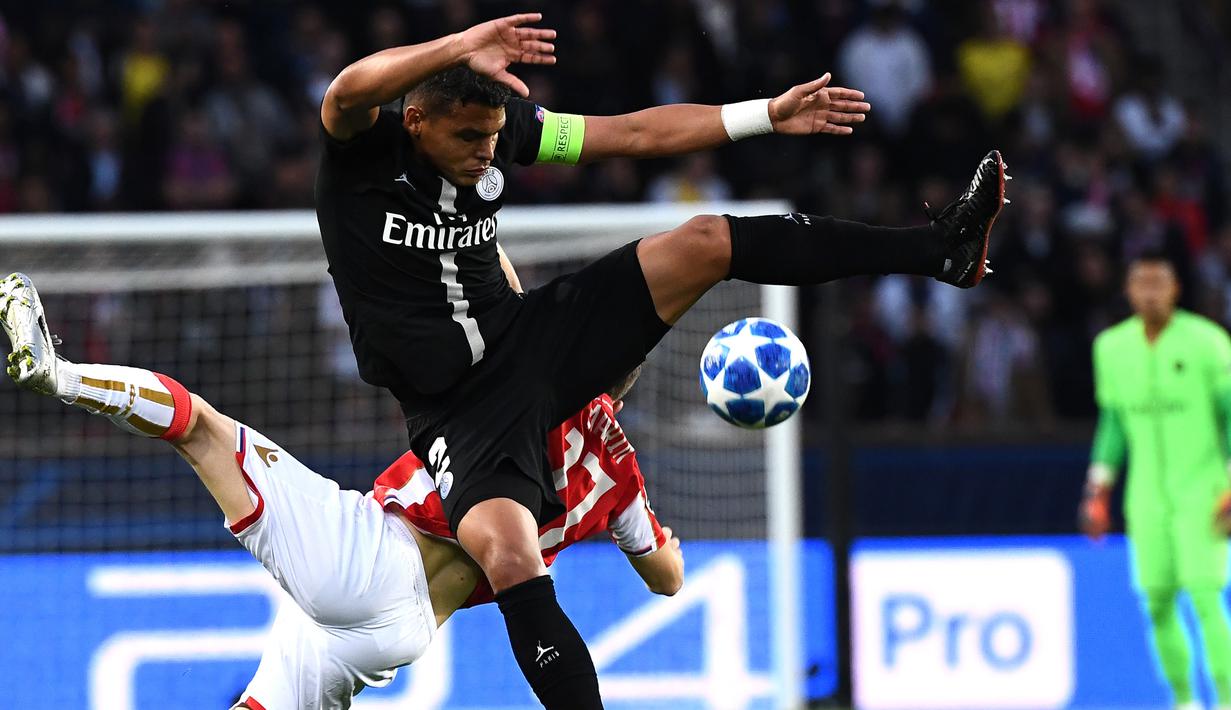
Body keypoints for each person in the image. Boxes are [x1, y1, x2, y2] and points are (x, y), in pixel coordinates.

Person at [316, 12, 1006, 707]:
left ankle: (936, 251)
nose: (484, 155)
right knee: (511, 557)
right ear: (414, 121)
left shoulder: (502, 133)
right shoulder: (362, 153)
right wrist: (461, 45)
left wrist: (764, 114)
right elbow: (345, 91)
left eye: (493, 139)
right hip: (457, 408)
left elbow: (635, 133)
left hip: (528, 337)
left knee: (705, 240)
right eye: (467, 137)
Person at [0, 272, 682, 710]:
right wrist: (664, 548)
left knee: (203, 430)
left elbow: (498, 286)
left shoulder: (523, 380)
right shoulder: (622, 481)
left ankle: (56, 374)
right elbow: (666, 579)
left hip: (374, 559)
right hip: (405, 632)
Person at [1080, 253, 1231, 710]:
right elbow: (1112, 424)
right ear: (1127, 291)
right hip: (1145, 497)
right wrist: (1098, 491)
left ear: (1175, 289)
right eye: (1140, 282)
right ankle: (1184, 701)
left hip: (1202, 490)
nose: (1149, 290)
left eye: (1159, 282)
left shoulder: (1208, 343)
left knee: (1206, 597)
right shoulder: (1111, 348)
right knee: (1157, 604)